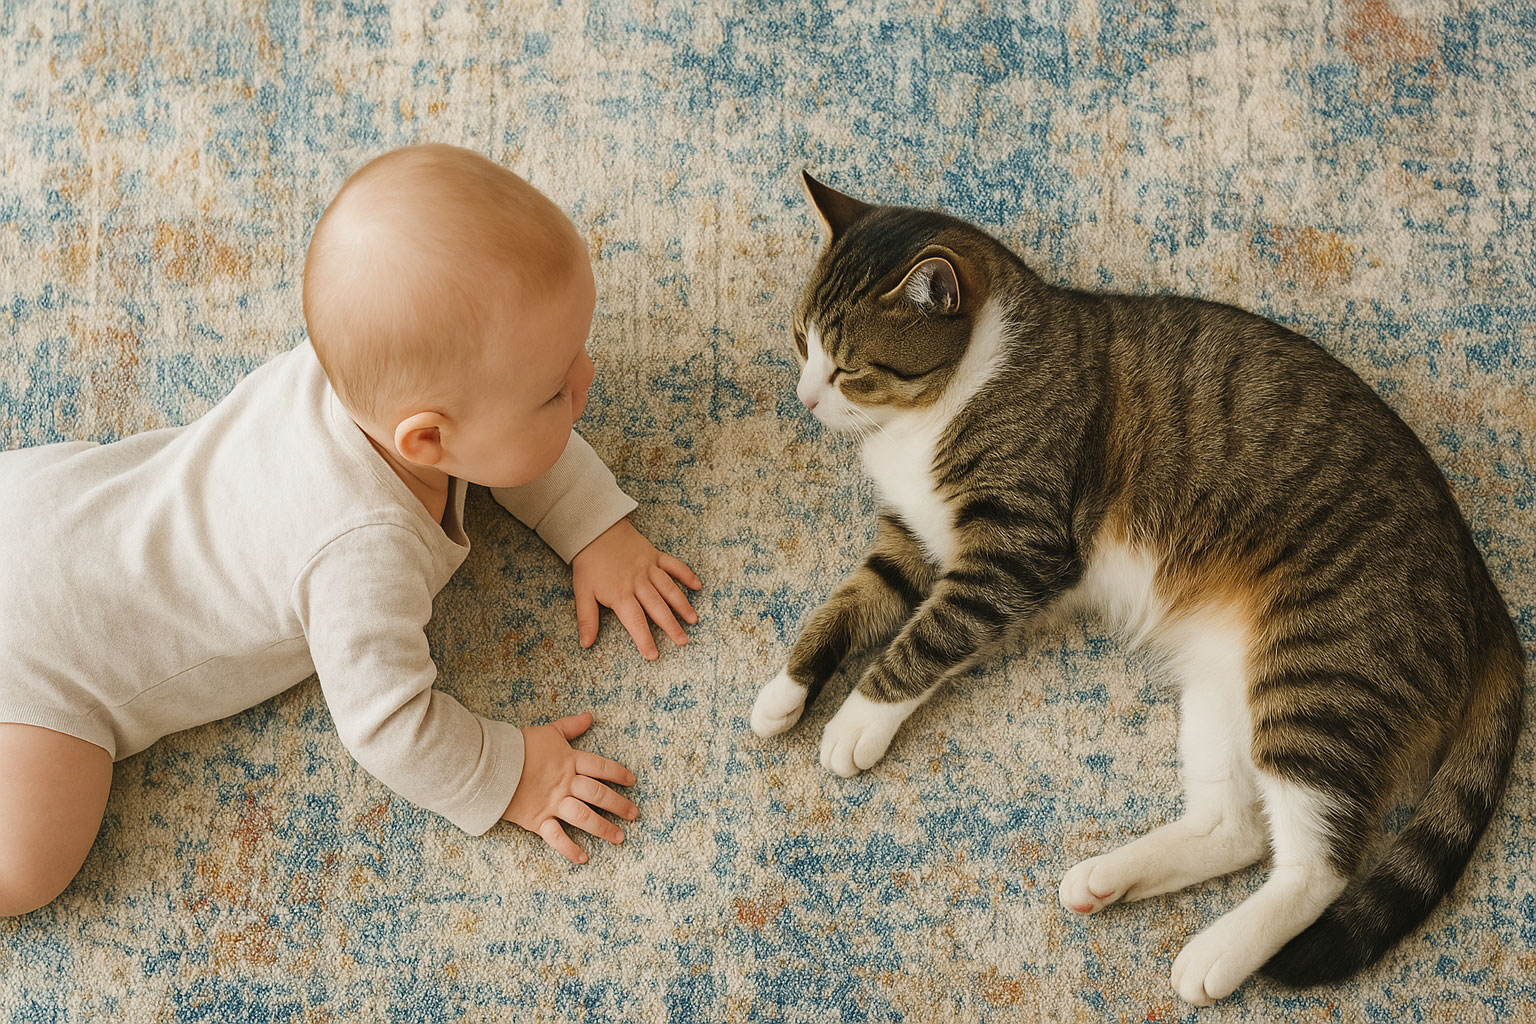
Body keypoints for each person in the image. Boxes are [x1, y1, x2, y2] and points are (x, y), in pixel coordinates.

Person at [0, 143, 702, 916]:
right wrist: (509, 775)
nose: (587, 379)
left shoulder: (366, 368)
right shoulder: (359, 553)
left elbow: (501, 449)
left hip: (40, 505)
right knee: (30, 867)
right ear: (426, 442)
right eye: (552, 392)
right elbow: (389, 724)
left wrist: (592, 524)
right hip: (46, 653)